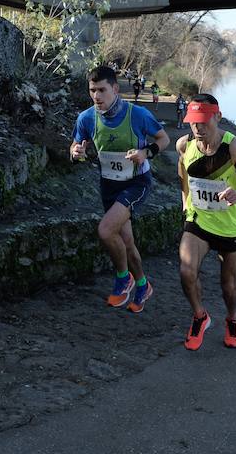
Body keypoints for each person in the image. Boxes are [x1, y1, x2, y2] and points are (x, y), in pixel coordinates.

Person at [71, 66, 170, 313]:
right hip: (109, 184)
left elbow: (163, 139)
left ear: (115, 89)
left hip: (136, 182)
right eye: (92, 90)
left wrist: (145, 153)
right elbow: (75, 145)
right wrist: (75, 152)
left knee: (105, 231)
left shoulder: (138, 114)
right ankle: (143, 284)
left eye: (102, 90)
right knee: (126, 241)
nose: (96, 96)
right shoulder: (86, 118)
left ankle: (123, 277)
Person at [177, 95, 236, 350]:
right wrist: (186, 201)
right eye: (193, 122)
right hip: (199, 220)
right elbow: (182, 173)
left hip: (230, 226)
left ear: (217, 116)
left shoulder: (234, 148)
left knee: (228, 285)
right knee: (186, 271)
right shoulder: (184, 145)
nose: (198, 128)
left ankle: (232, 319)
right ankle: (200, 316)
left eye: (203, 121)